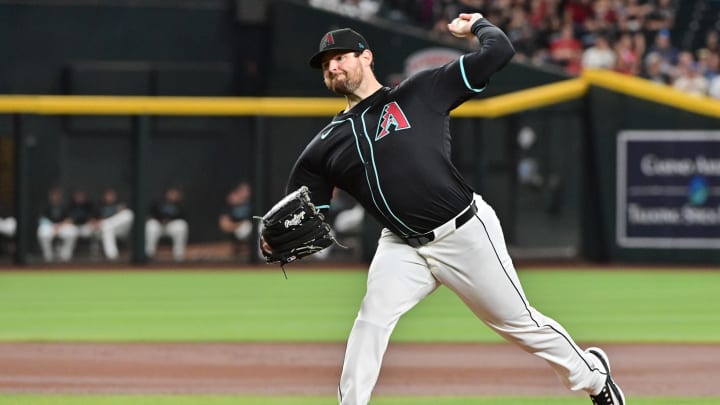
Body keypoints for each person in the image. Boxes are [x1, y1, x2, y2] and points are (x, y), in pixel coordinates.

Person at [267, 13, 625, 405]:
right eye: (325, 63)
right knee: (371, 320)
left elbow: (499, 52)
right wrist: (274, 241)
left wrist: (478, 26)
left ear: (365, 57)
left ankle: (593, 377)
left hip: (464, 231)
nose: (332, 66)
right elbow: (301, 212)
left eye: (340, 57)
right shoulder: (323, 146)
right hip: (402, 245)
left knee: (519, 324)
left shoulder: (421, 91)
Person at [145, 187, 188, 261]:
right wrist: (160, 219)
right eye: (172, 193)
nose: (173, 195)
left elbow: (184, 218)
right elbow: (150, 215)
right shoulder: (158, 202)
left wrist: (170, 220)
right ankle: (149, 254)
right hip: (158, 225)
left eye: (175, 194)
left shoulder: (180, 205)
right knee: (150, 225)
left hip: (171, 226)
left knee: (182, 225)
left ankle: (178, 256)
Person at [37, 187, 78, 262]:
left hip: (62, 227)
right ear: (50, 196)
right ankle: (48, 256)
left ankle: (65, 255)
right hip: (50, 227)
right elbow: (41, 219)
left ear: (60, 196)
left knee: (73, 231)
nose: (55, 197)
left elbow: (70, 219)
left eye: (57, 195)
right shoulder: (45, 206)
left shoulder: (65, 206)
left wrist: (60, 225)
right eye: (53, 195)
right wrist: (53, 226)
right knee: (42, 232)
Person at [97, 188, 134, 261]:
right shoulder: (98, 206)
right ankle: (112, 256)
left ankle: (106, 223)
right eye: (108, 195)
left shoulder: (119, 204)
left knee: (128, 213)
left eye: (111, 195)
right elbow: (94, 220)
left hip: (120, 230)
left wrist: (119, 211)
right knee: (107, 228)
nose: (109, 197)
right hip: (100, 231)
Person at [218, 182, 253, 257]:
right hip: (237, 231)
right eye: (242, 190)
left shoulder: (253, 203)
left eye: (247, 190)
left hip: (254, 232)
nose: (245, 193)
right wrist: (239, 225)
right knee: (245, 227)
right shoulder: (230, 205)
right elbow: (224, 225)